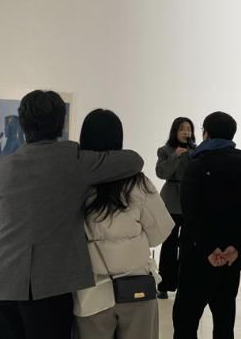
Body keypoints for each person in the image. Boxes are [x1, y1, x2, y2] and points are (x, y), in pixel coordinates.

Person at [0, 91, 145, 339]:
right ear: (62, 123)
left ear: (22, 123)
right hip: (50, 285)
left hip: (1, 282)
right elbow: (134, 161)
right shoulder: (73, 160)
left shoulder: (2, 168)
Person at [74, 109, 174, 339]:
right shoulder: (137, 182)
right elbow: (161, 231)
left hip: (90, 293)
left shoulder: (74, 183)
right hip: (136, 287)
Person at [173, 111, 241, 339]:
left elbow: (191, 213)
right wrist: (237, 247)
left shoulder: (195, 167)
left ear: (206, 133)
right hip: (230, 261)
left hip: (196, 258)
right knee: (224, 324)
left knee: (186, 324)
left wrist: (208, 248)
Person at [155, 117, 196, 299]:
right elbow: (162, 173)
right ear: (175, 131)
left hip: (190, 200)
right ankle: (165, 285)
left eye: (189, 129)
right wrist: (175, 156)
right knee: (169, 243)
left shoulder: (196, 151)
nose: (186, 132)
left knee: (188, 244)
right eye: (182, 129)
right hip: (171, 200)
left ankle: (186, 284)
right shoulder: (165, 151)